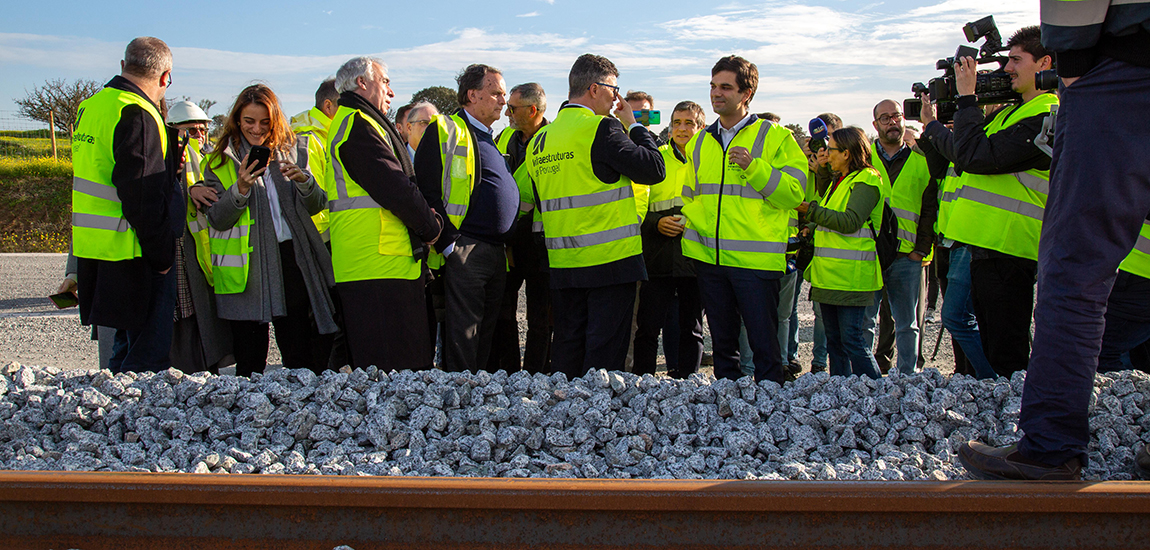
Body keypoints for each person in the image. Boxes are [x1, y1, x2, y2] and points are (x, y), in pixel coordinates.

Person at [961, 2, 1150, 481]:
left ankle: (1051, 445)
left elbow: (1073, 15)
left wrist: (1076, 72)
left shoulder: (1048, 101)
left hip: (1124, 74)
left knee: (1075, 271)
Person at [921, 26, 1058, 377]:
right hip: (985, 242)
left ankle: (1011, 403)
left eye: (1015, 60)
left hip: (1009, 245)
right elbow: (960, 158)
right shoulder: (1013, 112)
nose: (1006, 69)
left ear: (1045, 62)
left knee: (1006, 345)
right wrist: (939, 126)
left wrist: (967, 98)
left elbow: (978, 157)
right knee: (976, 328)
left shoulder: (1048, 113)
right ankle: (990, 391)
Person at [525, 53, 665, 378]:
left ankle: (565, 421)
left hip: (563, 266)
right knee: (603, 360)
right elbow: (654, 168)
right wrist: (635, 125)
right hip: (611, 264)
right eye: (613, 90)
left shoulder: (541, 141)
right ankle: (596, 423)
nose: (616, 98)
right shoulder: (602, 128)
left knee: (567, 351)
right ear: (593, 88)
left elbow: (527, 196)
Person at [680, 55, 806, 384]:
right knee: (723, 345)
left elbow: (794, 194)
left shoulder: (777, 138)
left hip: (755, 262)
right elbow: (689, 197)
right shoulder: (699, 141)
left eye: (725, 87)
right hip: (710, 260)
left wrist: (754, 168)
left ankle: (769, 411)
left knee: (764, 347)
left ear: (746, 93)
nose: (716, 93)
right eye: (712, 86)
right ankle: (727, 405)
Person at [201, 84, 336, 376]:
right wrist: (240, 189)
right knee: (249, 362)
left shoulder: (298, 148)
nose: (257, 129)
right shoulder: (218, 160)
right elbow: (217, 219)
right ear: (237, 119)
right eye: (249, 121)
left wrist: (304, 181)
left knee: (299, 354)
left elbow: (317, 204)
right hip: (246, 267)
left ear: (276, 120)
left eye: (265, 122)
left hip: (292, 259)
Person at [72, 37, 182, 373]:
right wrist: (162, 257)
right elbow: (141, 196)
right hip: (134, 251)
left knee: (121, 351)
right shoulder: (136, 112)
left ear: (123, 66)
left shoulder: (91, 106)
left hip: (98, 250)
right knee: (146, 360)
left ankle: (112, 421)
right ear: (165, 77)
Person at [326, 56, 442, 371]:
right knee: (396, 372)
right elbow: (396, 189)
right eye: (385, 81)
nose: (390, 91)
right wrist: (432, 227)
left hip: (376, 263)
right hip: (378, 266)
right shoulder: (357, 125)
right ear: (362, 83)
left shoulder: (359, 121)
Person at [415, 64, 520, 373]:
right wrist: (449, 245)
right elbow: (427, 189)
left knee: (486, 332)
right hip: (466, 248)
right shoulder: (446, 129)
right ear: (473, 95)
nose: (503, 100)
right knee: (464, 335)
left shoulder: (493, 138)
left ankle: (478, 397)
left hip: (494, 252)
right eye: (496, 92)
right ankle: (460, 398)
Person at [797, 127, 886, 379]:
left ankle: (877, 393)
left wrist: (809, 210)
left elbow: (850, 221)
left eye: (831, 149)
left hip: (852, 278)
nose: (826, 153)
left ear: (846, 153)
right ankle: (841, 395)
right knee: (835, 343)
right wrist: (809, 228)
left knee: (853, 341)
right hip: (829, 276)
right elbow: (830, 215)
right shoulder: (840, 180)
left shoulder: (867, 179)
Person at [632, 100, 706, 378]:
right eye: (677, 123)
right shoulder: (657, 157)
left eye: (689, 123)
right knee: (648, 327)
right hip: (657, 256)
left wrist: (692, 222)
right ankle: (643, 382)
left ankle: (688, 383)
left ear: (700, 127)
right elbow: (638, 204)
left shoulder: (708, 161)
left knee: (692, 328)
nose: (682, 129)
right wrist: (656, 223)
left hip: (694, 257)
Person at [488, 82, 553, 374]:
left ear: (533, 110)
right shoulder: (503, 138)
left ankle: (537, 375)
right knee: (503, 313)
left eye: (512, 108)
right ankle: (509, 373)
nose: (507, 113)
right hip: (509, 242)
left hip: (542, 244)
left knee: (541, 318)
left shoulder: (554, 140)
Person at [167, 100, 234, 373]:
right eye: (191, 130)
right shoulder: (171, 155)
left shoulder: (212, 158)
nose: (199, 136)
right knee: (183, 325)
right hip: (181, 254)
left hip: (209, 259)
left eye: (202, 129)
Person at [870, 99, 935, 375]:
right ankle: (865, 376)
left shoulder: (922, 160)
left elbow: (931, 207)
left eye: (896, 116)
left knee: (907, 323)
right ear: (875, 125)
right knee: (866, 322)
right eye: (884, 118)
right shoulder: (864, 158)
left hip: (907, 255)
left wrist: (921, 249)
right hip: (869, 254)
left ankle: (907, 376)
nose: (892, 122)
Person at [800, 112, 844, 375]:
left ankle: (829, 365)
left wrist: (825, 169)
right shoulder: (808, 163)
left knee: (832, 315)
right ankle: (808, 361)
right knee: (808, 310)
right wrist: (809, 164)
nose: (823, 148)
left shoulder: (849, 171)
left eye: (828, 139)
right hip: (809, 239)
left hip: (837, 246)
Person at [290, 78, 340, 243]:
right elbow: (313, 199)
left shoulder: (328, 135)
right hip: (323, 236)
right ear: (328, 106)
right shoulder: (308, 140)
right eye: (346, 106)